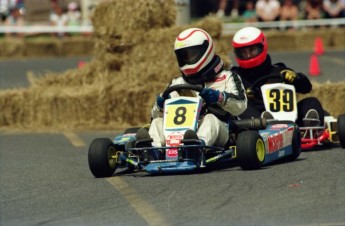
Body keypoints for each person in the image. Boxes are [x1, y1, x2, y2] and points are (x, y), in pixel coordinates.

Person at [137, 28, 247, 161]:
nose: (188, 59)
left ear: (206, 51)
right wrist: (159, 107)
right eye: (184, 56)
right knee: (157, 122)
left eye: (192, 54)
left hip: (222, 129)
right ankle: (152, 151)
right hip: (180, 133)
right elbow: (156, 116)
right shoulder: (176, 83)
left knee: (210, 119)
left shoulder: (227, 77)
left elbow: (241, 105)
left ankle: (196, 147)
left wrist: (220, 98)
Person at [230, 26, 324, 127]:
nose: (248, 55)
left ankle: (311, 130)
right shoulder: (234, 76)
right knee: (242, 107)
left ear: (262, 47)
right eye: (243, 52)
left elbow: (307, 88)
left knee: (311, 102)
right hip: (256, 123)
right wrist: (242, 95)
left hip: (289, 119)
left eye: (252, 50)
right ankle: (267, 124)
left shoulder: (278, 71)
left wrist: (297, 79)